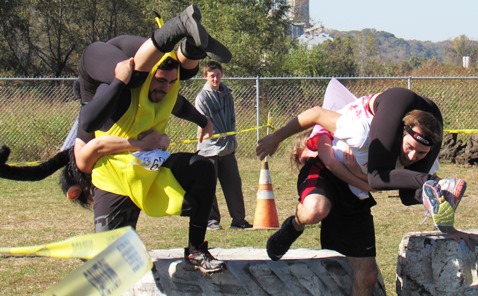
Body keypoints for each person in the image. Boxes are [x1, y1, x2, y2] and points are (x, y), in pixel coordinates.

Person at [256, 87, 476, 295]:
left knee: (367, 274)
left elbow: (412, 195)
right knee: (315, 210)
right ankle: (294, 225)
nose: (411, 157)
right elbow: (317, 117)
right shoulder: (361, 131)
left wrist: (449, 224)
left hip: (355, 190)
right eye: (409, 148)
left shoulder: (421, 155)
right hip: (327, 170)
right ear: (398, 135)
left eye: (420, 154)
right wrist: (276, 138)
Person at [77, 5, 232, 273]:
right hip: (114, 174)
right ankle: (177, 28)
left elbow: (178, 103)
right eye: (160, 81)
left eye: (171, 84)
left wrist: (203, 121)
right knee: (133, 78)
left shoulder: (165, 86)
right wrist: (118, 83)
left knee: (203, 166)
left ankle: (193, 48)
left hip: (143, 167)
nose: (166, 88)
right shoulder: (114, 96)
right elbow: (88, 126)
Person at [194, 61, 252, 230]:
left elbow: (232, 118)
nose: (215, 79)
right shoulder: (202, 97)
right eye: (212, 76)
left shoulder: (227, 94)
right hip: (209, 149)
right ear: (205, 76)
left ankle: (239, 220)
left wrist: (231, 140)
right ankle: (212, 221)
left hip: (228, 148)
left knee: (234, 184)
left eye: (218, 75)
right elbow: (204, 122)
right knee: (208, 187)